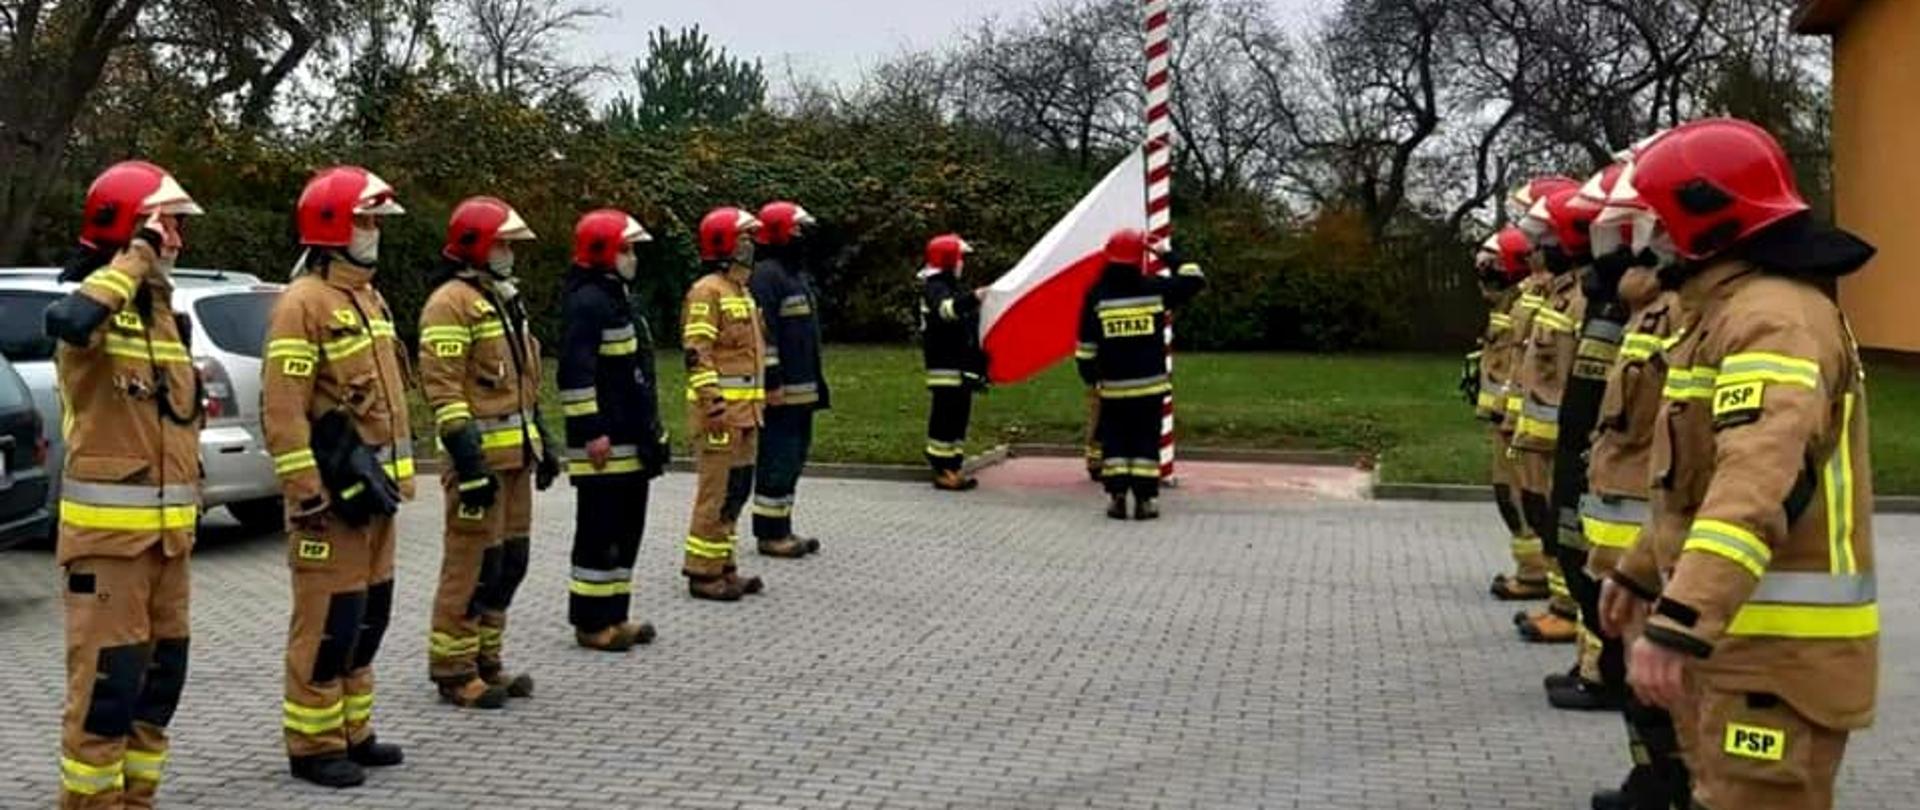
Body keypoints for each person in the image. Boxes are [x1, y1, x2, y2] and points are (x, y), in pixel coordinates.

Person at [1604, 118, 1877, 810]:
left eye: (1661, 222)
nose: (1650, 241)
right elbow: (1694, 482)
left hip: (1775, 658)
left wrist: (1678, 622)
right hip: (1740, 647)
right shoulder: (1725, 314)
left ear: (1708, 222)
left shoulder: (1772, 319)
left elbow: (1756, 482)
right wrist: (1642, 569)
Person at [44, 161, 203, 809]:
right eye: (166, 228)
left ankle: (138, 798)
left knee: (159, 683)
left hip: (168, 545)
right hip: (108, 546)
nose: (177, 243)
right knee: (108, 690)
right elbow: (72, 318)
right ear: (133, 232)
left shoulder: (162, 317)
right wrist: (132, 258)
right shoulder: (93, 308)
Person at [263, 166, 413, 788]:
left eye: (377, 221)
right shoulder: (303, 304)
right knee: (327, 623)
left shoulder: (370, 300)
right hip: (331, 501)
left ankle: (354, 730)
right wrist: (306, 493)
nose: (375, 232)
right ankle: (313, 744)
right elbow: (284, 408)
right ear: (331, 225)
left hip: (373, 496)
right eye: (366, 220)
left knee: (366, 616)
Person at [1582, 161, 1692, 810]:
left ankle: (1666, 780)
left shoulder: (1680, 314)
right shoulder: (1646, 310)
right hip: (1633, 530)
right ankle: (1653, 778)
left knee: (1655, 679)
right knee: (1633, 669)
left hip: (1656, 531)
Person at [419, 196, 554, 706]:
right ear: (476, 244)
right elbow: (445, 391)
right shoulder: (449, 303)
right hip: (480, 465)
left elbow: (522, 380)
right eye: (501, 243)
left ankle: (487, 660)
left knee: (508, 563)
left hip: (516, 461)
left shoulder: (502, 298)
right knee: (471, 566)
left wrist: (541, 437)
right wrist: (469, 462)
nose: (508, 253)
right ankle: (453, 670)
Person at [559, 208, 668, 648]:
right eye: (624, 249)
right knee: (599, 532)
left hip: (630, 438)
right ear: (602, 251)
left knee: (627, 530)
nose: (632, 258)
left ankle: (615, 614)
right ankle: (590, 622)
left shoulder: (618, 297)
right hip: (604, 442)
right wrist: (591, 431)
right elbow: (575, 374)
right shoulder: (587, 302)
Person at [1076, 229, 1204, 520]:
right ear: (1138, 259)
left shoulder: (1097, 294)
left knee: (1116, 443)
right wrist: (1165, 253)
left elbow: (1085, 347)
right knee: (1146, 441)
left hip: (1113, 387)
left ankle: (1117, 498)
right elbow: (1194, 278)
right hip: (1149, 387)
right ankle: (1146, 501)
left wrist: (1090, 378)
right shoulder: (1155, 289)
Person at [1509, 186, 1590, 647]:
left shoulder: (1577, 298)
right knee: (1548, 516)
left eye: (1545, 240)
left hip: (1565, 437)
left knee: (1566, 522)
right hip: (1544, 435)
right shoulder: (1558, 295)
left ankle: (1569, 607)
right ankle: (1562, 603)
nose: (1536, 252)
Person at [680, 207, 768, 601]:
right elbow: (697, 352)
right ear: (723, 244)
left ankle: (725, 564)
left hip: (747, 412)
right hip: (720, 414)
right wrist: (712, 402)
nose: (750, 247)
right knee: (715, 494)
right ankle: (702, 572)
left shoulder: (742, 292)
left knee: (736, 491)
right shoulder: (707, 291)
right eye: (743, 239)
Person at [1473, 227, 1551, 602]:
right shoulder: (1511, 307)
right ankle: (1531, 568)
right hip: (1506, 420)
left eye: (1491, 270)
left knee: (1521, 496)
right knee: (1512, 495)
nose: (1484, 280)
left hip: (1518, 424)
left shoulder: (1527, 306)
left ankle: (1536, 572)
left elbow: (1526, 366)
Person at [747, 201, 826, 557]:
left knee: (793, 458)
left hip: (803, 390)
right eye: (795, 229)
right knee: (777, 458)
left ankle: (784, 524)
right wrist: (772, 382)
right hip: (783, 393)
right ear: (779, 233)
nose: (800, 236)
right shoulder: (766, 275)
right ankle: (770, 533)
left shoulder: (794, 275)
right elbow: (766, 335)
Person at [919, 233, 988, 490]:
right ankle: (941, 468)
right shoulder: (935, 287)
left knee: (959, 415)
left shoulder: (949, 285)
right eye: (960, 258)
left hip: (959, 365)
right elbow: (945, 311)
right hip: (945, 365)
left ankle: (953, 464)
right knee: (946, 415)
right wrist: (973, 299)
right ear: (949, 260)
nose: (963, 263)